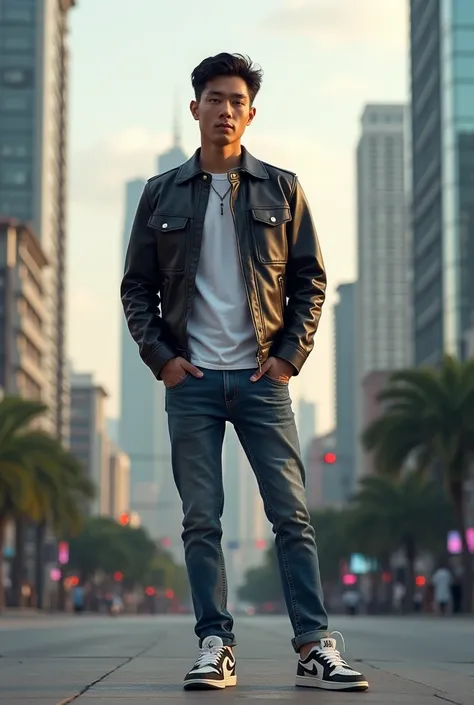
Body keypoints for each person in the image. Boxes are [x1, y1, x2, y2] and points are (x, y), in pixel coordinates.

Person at [121, 52, 368, 693]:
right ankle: (215, 644)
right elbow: (137, 288)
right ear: (196, 107)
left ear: (250, 113)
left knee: (292, 517)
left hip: (263, 382)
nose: (225, 109)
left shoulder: (283, 189)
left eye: (237, 101)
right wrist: (164, 360)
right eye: (214, 98)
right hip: (192, 381)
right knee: (202, 520)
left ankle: (314, 647)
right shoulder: (161, 193)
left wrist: (289, 355)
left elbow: (310, 280)